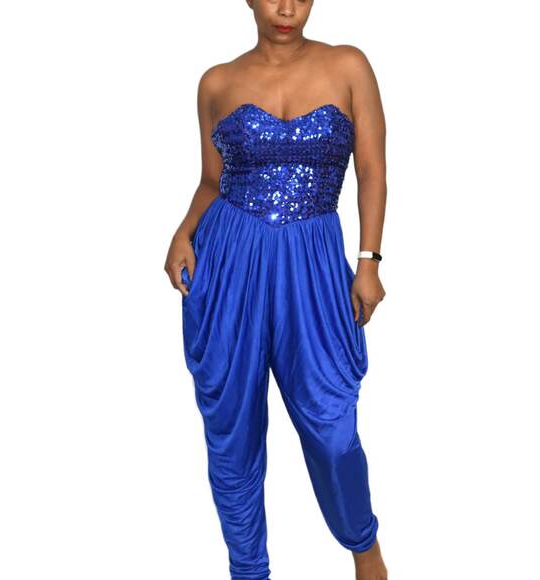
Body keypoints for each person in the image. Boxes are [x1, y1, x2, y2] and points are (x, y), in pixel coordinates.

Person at [164, 2, 388, 578]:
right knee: (233, 430)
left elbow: (371, 169)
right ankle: (248, 569)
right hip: (229, 262)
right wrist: (184, 233)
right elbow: (211, 180)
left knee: (332, 426)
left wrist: (368, 261)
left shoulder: (349, 66)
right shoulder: (217, 82)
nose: (286, 8)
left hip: (312, 263)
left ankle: (365, 550)